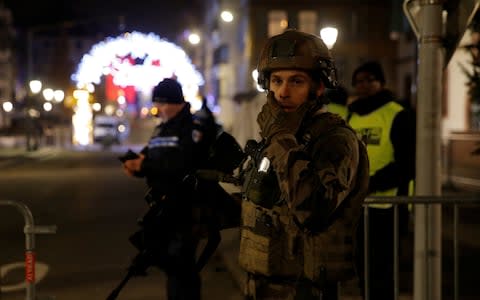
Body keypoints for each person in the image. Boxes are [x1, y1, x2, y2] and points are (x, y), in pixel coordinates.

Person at [237, 29, 370, 300]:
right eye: (276, 81)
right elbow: (264, 203)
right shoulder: (280, 137)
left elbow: (314, 209)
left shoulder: (335, 140)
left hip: (306, 289)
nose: (283, 92)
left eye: (296, 81)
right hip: (263, 284)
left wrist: (280, 138)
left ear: (318, 87)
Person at [122, 78, 204, 300]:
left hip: (184, 205)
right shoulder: (162, 129)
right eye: (157, 103)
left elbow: (183, 164)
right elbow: (151, 156)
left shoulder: (191, 128)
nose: (160, 108)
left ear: (176, 102)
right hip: (162, 205)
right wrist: (137, 165)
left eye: (163, 103)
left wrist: (144, 165)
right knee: (170, 262)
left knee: (180, 263)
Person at [348, 60, 416, 300]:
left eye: (370, 80)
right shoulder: (351, 115)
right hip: (359, 206)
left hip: (390, 206)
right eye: (358, 81)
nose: (364, 85)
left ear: (382, 82)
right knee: (362, 268)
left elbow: (407, 164)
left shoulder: (397, 114)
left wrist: (370, 183)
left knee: (384, 272)